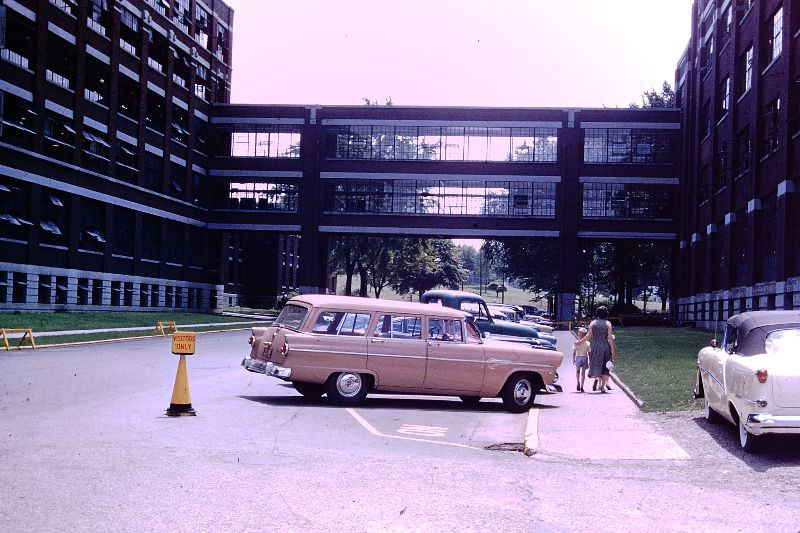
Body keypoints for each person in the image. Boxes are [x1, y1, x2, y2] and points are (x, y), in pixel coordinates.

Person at [585, 306, 617, 393]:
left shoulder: (593, 323)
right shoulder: (608, 323)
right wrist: (612, 350)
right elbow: (610, 338)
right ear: (606, 314)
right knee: (605, 366)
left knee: (596, 364)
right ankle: (603, 386)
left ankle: (598, 383)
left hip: (594, 345)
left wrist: (580, 342)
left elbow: (589, 335)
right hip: (605, 345)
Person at [572, 327, 590, 392]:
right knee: (583, 373)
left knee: (578, 371)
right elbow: (589, 352)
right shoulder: (587, 343)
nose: (579, 334)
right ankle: (580, 385)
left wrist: (573, 359)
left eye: (579, 333)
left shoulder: (577, 343)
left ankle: (579, 383)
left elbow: (574, 352)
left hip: (579, 357)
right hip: (584, 357)